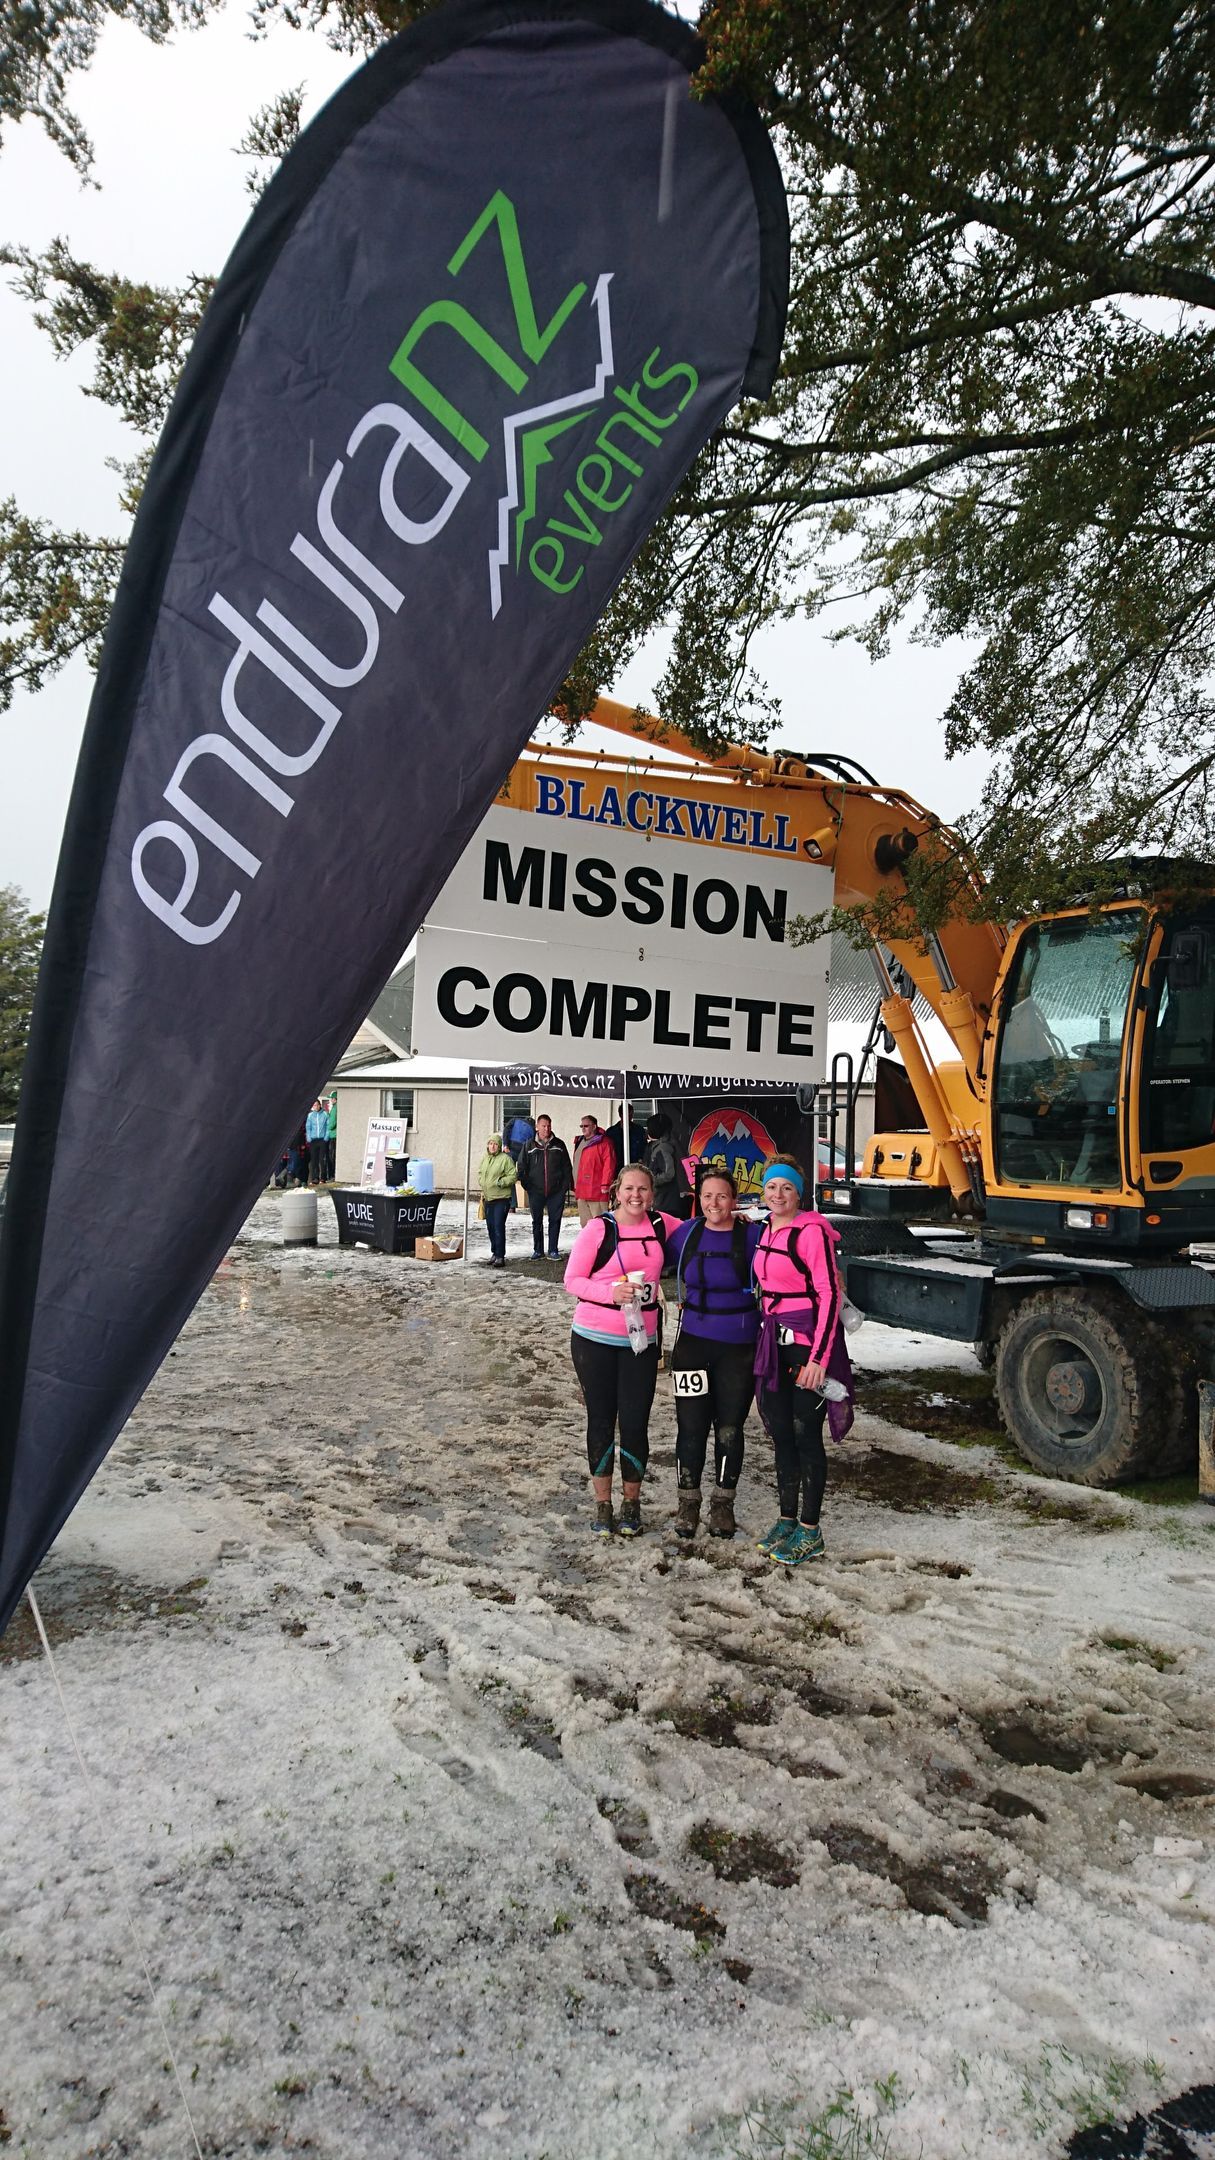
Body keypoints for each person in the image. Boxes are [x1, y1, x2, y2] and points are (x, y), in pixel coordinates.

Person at [563, 1163, 681, 1537]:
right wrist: (610, 1293)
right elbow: (572, 1280)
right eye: (629, 1188)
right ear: (617, 1191)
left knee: (634, 1423)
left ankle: (632, 1502)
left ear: (652, 1193)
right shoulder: (599, 1229)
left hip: (640, 1342)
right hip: (594, 1338)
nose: (636, 1196)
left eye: (643, 1189)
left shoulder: (662, 1225)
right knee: (600, 1420)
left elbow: (705, 1231)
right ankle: (603, 1505)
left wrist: (742, 1222)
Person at [750, 1153, 853, 1566]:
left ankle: (812, 1530)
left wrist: (818, 1359)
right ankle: (787, 1519)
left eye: (787, 1188)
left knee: (805, 1433)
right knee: (780, 1432)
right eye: (772, 1187)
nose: (778, 1195)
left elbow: (828, 1295)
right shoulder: (764, 1229)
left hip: (806, 1346)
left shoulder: (811, 1233)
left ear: (799, 1193)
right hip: (773, 1340)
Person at [666, 1168, 763, 1541]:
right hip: (692, 1344)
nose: (714, 1204)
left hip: (738, 1348)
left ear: (735, 1200)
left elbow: (788, 1249)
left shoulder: (752, 1234)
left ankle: (723, 1503)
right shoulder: (686, 1233)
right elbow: (645, 1245)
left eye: (722, 1196)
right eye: (707, 1196)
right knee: (690, 1427)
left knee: (729, 1427)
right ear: (698, 1199)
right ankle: (688, 1502)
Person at [517, 1114, 574, 1258]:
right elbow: (522, 1167)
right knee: (537, 1221)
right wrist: (528, 1186)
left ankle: (553, 1249)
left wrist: (563, 1187)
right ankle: (538, 1250)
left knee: (555, 1220)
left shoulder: (559, 1145)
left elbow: (567, 1167)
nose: (546, 1128)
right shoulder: (529, 1145)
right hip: (535, 1191)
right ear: (537, 1127)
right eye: (543, 1126)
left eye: (549, 1125)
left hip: (556, 1191)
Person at [477, 1133, 518, 1266]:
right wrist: (481, 1181)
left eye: (495, 1144)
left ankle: (500, 1255)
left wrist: (501, 1182)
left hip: (501, 1199)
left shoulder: (505, 1159)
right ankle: (494, 1252)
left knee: (498, 1226)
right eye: (490, 1144)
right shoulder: (485, 1158)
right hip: (488, 1198)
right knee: (490, 1227)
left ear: (499, 1146)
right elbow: (480, 1173)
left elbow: (513, 1176)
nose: (492, 1146)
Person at [573, 1113, 616, 1224]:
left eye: (586, 1126)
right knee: (586, 1226)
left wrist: (605, 1185)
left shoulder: (604, 1143)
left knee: (601, 1225)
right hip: (581, 1191)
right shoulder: (580, 1141)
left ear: (594, 1126)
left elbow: (609, 1165)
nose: (583, 1129)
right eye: (581, 1126)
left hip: (597, 1192)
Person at [643, 1111, 681, 1213]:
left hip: (666, 1202)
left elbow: (668, 1173)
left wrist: (650, 1181)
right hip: (662, 1200)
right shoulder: (658, 1146)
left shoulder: (663, 1147)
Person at [306, 1098, 328, 1184]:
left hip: (322, 1139)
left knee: (322, 1159)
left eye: (317, 1105)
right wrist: (309, 1138)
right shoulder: (310, 1115)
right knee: (314, 1160)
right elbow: (308, 1127)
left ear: (320, 1105)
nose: (316, 1107)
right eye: (314, 1105)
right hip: (313, 1140)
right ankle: (315, 1178)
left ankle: (323, 1177)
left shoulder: (325, 1114)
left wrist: (326, 1137)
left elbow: (328, 1126)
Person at [325, 1094, 338, 1181]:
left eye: (331, 1099)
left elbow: (331, 1124)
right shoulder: (336, 1107)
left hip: (333, 1135)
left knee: (331, 1157)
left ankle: (332, 1175)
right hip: (335, 1135)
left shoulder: (334, 1108)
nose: (330, 1101)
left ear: (334, 1099)